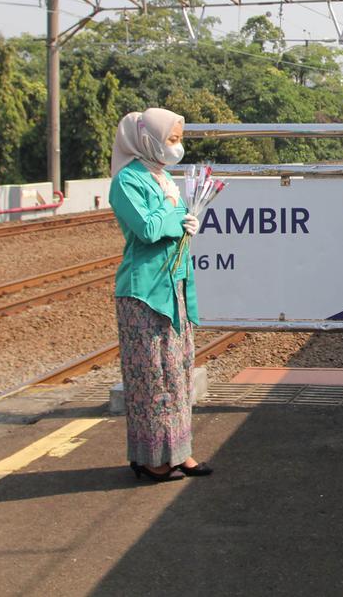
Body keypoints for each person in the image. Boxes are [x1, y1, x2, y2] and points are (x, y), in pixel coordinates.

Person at [109, 108, 212, 482]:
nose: (177, 146)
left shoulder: (163, 176)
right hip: (144, 293)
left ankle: (180, 452)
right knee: (151, 377)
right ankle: (151, 458)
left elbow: (174, 220)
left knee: (178, 373)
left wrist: (187, 221)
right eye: (172, 139)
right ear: (147, 140)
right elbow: (148, 228)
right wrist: (175, 212)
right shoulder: (126, 181)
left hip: (174, 286)